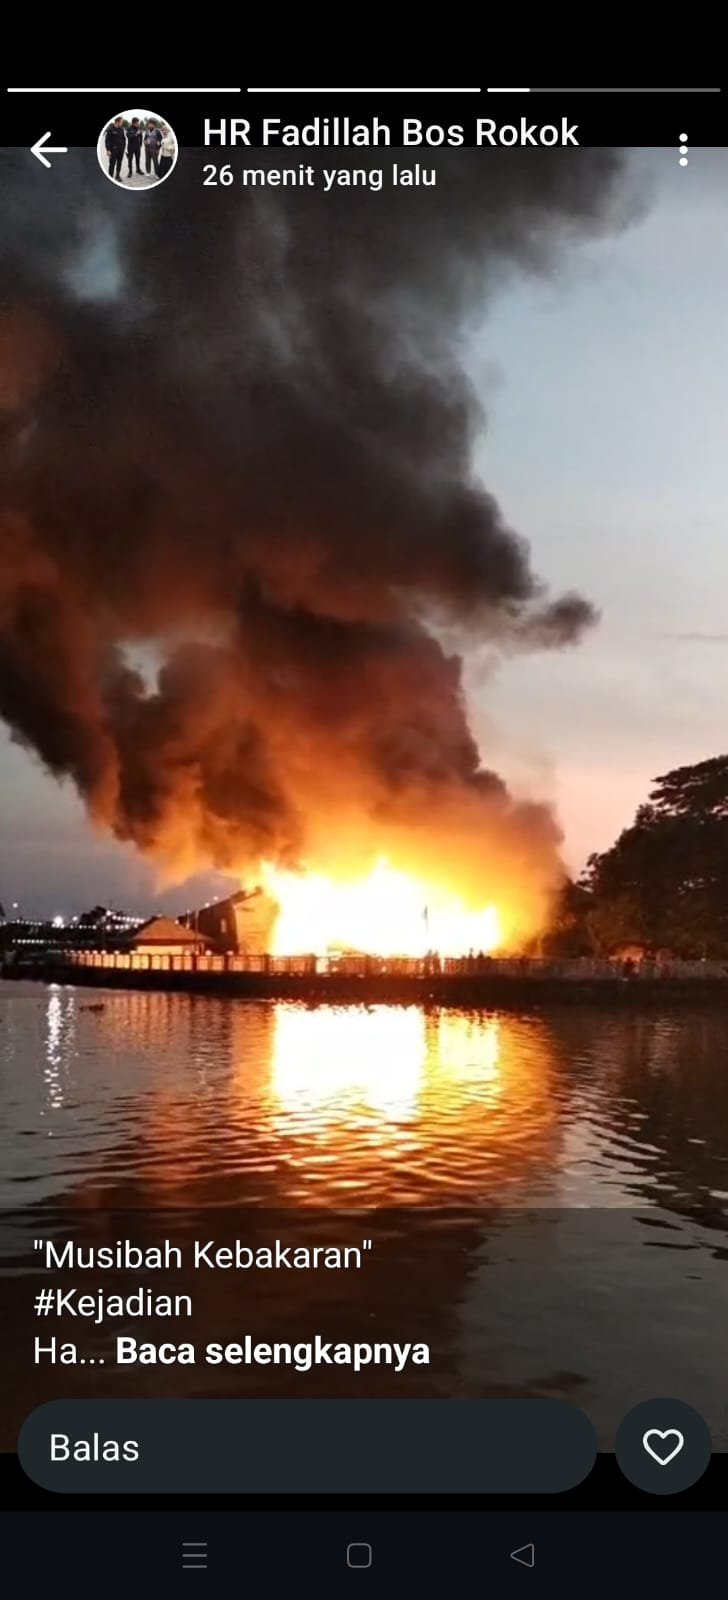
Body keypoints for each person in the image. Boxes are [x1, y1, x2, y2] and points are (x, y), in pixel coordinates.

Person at [105, 118, 126, 182]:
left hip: (121, 150)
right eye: (121, 122)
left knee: (119, 163)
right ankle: (110, 177)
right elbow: (107, 140)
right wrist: (108, 150)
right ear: (117, 122)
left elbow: (123, 139)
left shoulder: (121, 129)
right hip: (113, 150)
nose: (122, 123)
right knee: (112, 164)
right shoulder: (110, 129)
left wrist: (124, 147)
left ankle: (117, 175)